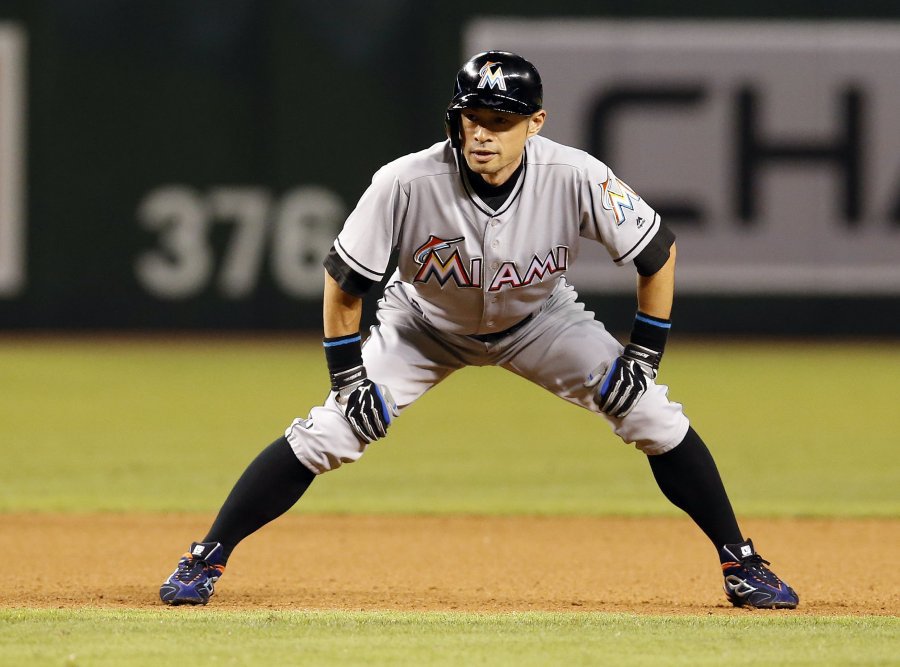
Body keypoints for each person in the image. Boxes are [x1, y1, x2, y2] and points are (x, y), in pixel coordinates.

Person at [160, 51, 798, 610]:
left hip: (541, 321)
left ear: (535, 123)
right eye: (474, 117)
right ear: (455, 117)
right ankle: (206, 556)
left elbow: (657, 252)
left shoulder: (574, 174)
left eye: (501, 120)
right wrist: (348, 375)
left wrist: (645, 353)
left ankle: (740, 562)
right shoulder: (405, 182)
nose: (484, 133)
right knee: (333, 430)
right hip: (422, 325)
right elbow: (344, 282)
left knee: (652, 416)